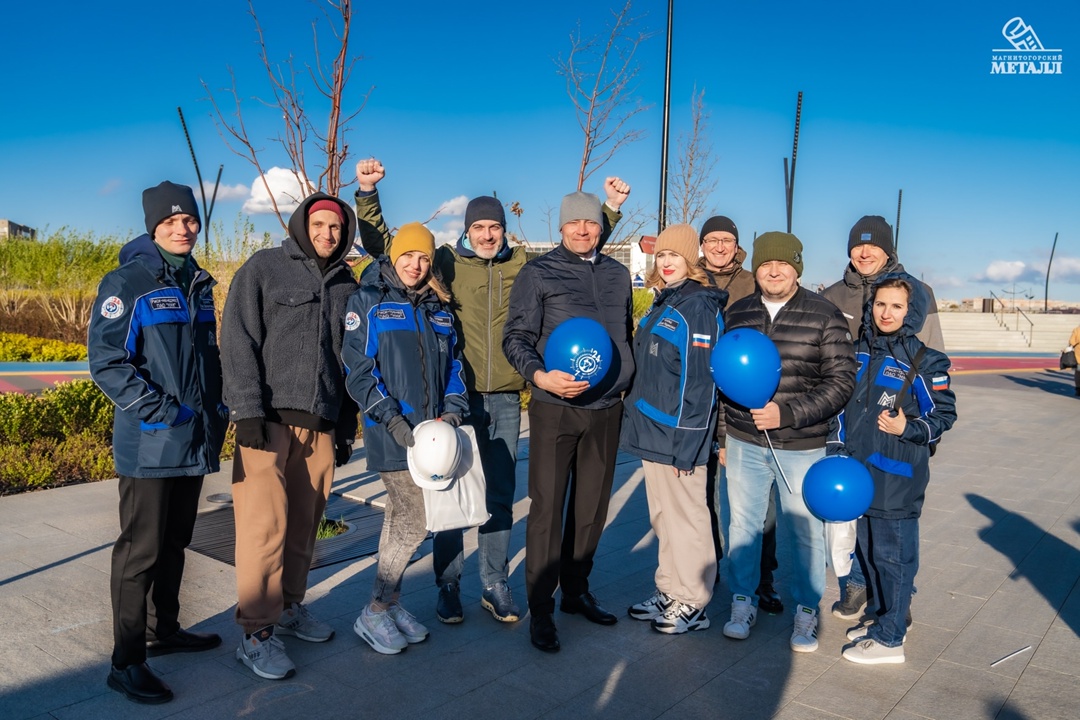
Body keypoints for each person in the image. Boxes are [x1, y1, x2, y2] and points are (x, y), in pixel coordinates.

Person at [353, 159, 630, 626]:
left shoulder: (524, 264)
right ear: (467, 230)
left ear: (504, 231)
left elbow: (579, 247)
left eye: (495, 227)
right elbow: (393, 251)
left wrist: (609, 211)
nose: (487, 235)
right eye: (479, 226)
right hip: (450, 400)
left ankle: (494, 582)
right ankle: (448, 585)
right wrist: (366, 194)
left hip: (502, 395)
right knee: (449, 493)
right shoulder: (444, 261)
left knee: (498, 493)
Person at [89, 181, 227, 704]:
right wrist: (163, 412)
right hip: (152, 442)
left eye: (189, 220)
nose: (182, 228)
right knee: (139, 552)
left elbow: (206, 359)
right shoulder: (129, 282)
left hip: (193, 438)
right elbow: (107, 361)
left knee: (175, 541)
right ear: (153, 226)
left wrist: (216, 409)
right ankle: (126, 662)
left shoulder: (198, 283)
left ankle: (162, 628)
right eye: (171, 221)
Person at [221, 193, 360, 680]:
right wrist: (247, 411)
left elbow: (349, 358)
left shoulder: (346, 282)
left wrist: (344, 424)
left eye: (336, 228)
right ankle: (257, 633)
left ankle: (291, 607)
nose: (328, 234)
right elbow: (237, 337)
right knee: (265, 527)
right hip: (267, 422)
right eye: (319, 224)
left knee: (304, 523)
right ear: (303, 225)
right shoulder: (264, 268)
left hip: (319, 423)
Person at [503, 189, 635, 653]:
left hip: (606, 409)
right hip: (555, 408)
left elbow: (625, 335)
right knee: (547, 511)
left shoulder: (620, 275)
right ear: (560, 228)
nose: (583, 230)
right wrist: (540, 375)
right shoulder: (538, 272)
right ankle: (541, 608)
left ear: (601, 226)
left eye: (591, 223)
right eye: (574, 223)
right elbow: (516, 336)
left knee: (592, 511)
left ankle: (576, 592)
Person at [719, 232, 855, 653]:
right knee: (742, 527)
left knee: (805, 530)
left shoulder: (824, 314)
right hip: (744, 440)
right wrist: (724, 436)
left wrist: (789, 414)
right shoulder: (738, 312)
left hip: (802, 445)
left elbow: (841, 382)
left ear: (798, 268)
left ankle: (807, 610)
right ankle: (743, 601)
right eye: (765, 264)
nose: (773, 271)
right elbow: (722, 380)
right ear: (755, 267)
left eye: (783, 264)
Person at [342, 221, 469, 655]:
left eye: (423, 258)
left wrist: (453, 410)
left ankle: (390, 604)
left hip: (434, 439)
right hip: (392, 432)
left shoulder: (439, 309)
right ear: (393, 256)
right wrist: (393, 420)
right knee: (415, 520)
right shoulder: (369, 302)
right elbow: (359, 372)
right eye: (408, 255)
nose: (415, 265)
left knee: (399, 518)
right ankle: (375, 609)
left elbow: (454, 368)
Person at [822, 215, 944, 621]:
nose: (864, 251)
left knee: (891, 536)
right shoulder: (835, 296)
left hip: (895, 442)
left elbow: (929, 365)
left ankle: (894, 611)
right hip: (853, 433)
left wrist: (919, 436)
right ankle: (859, 588)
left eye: (873, 245)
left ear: (888, 249)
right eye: (857, 245)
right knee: (854, 529)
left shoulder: (917, 291)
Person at [830, 273, 956, 664]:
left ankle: (891, 640)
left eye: (897, 306)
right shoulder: (858, 353)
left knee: (894, 557)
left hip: (897, 477)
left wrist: (909, 428)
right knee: (867, 554)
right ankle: (882, 617)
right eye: (880, 304)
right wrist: (837, 447)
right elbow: (840, 408)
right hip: (858, 476)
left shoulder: (924, 360)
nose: (887, 313)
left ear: (911, 310)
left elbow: (944, 415)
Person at [621, 224, 726, 634]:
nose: (665, 263)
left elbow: (699, 383)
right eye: (661, 255)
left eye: (674, 256)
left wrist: (690, 442)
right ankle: (670, 588)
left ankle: (694, 601)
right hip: (653, 431)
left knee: (688, 518)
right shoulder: (664, 302)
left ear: (691, 261)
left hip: (679, 435)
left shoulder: (697, 306)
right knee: (664, 517)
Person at [697, 215, 784, 615]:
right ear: (701, 244)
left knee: (757, 498)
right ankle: (715, 569)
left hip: (746, 397)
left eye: (726, 240)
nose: (719, 246)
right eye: (711, 239)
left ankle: (763, 577)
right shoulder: (689, 278)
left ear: (737, 246)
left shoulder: (753, 283)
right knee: (708, 496)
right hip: (700, 400)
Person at [1068, 325, 1080, 396]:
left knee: (1078, 372)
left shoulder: (1077, 330)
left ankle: (1078, 388)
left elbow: (1071, 342)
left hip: (1078, 355)